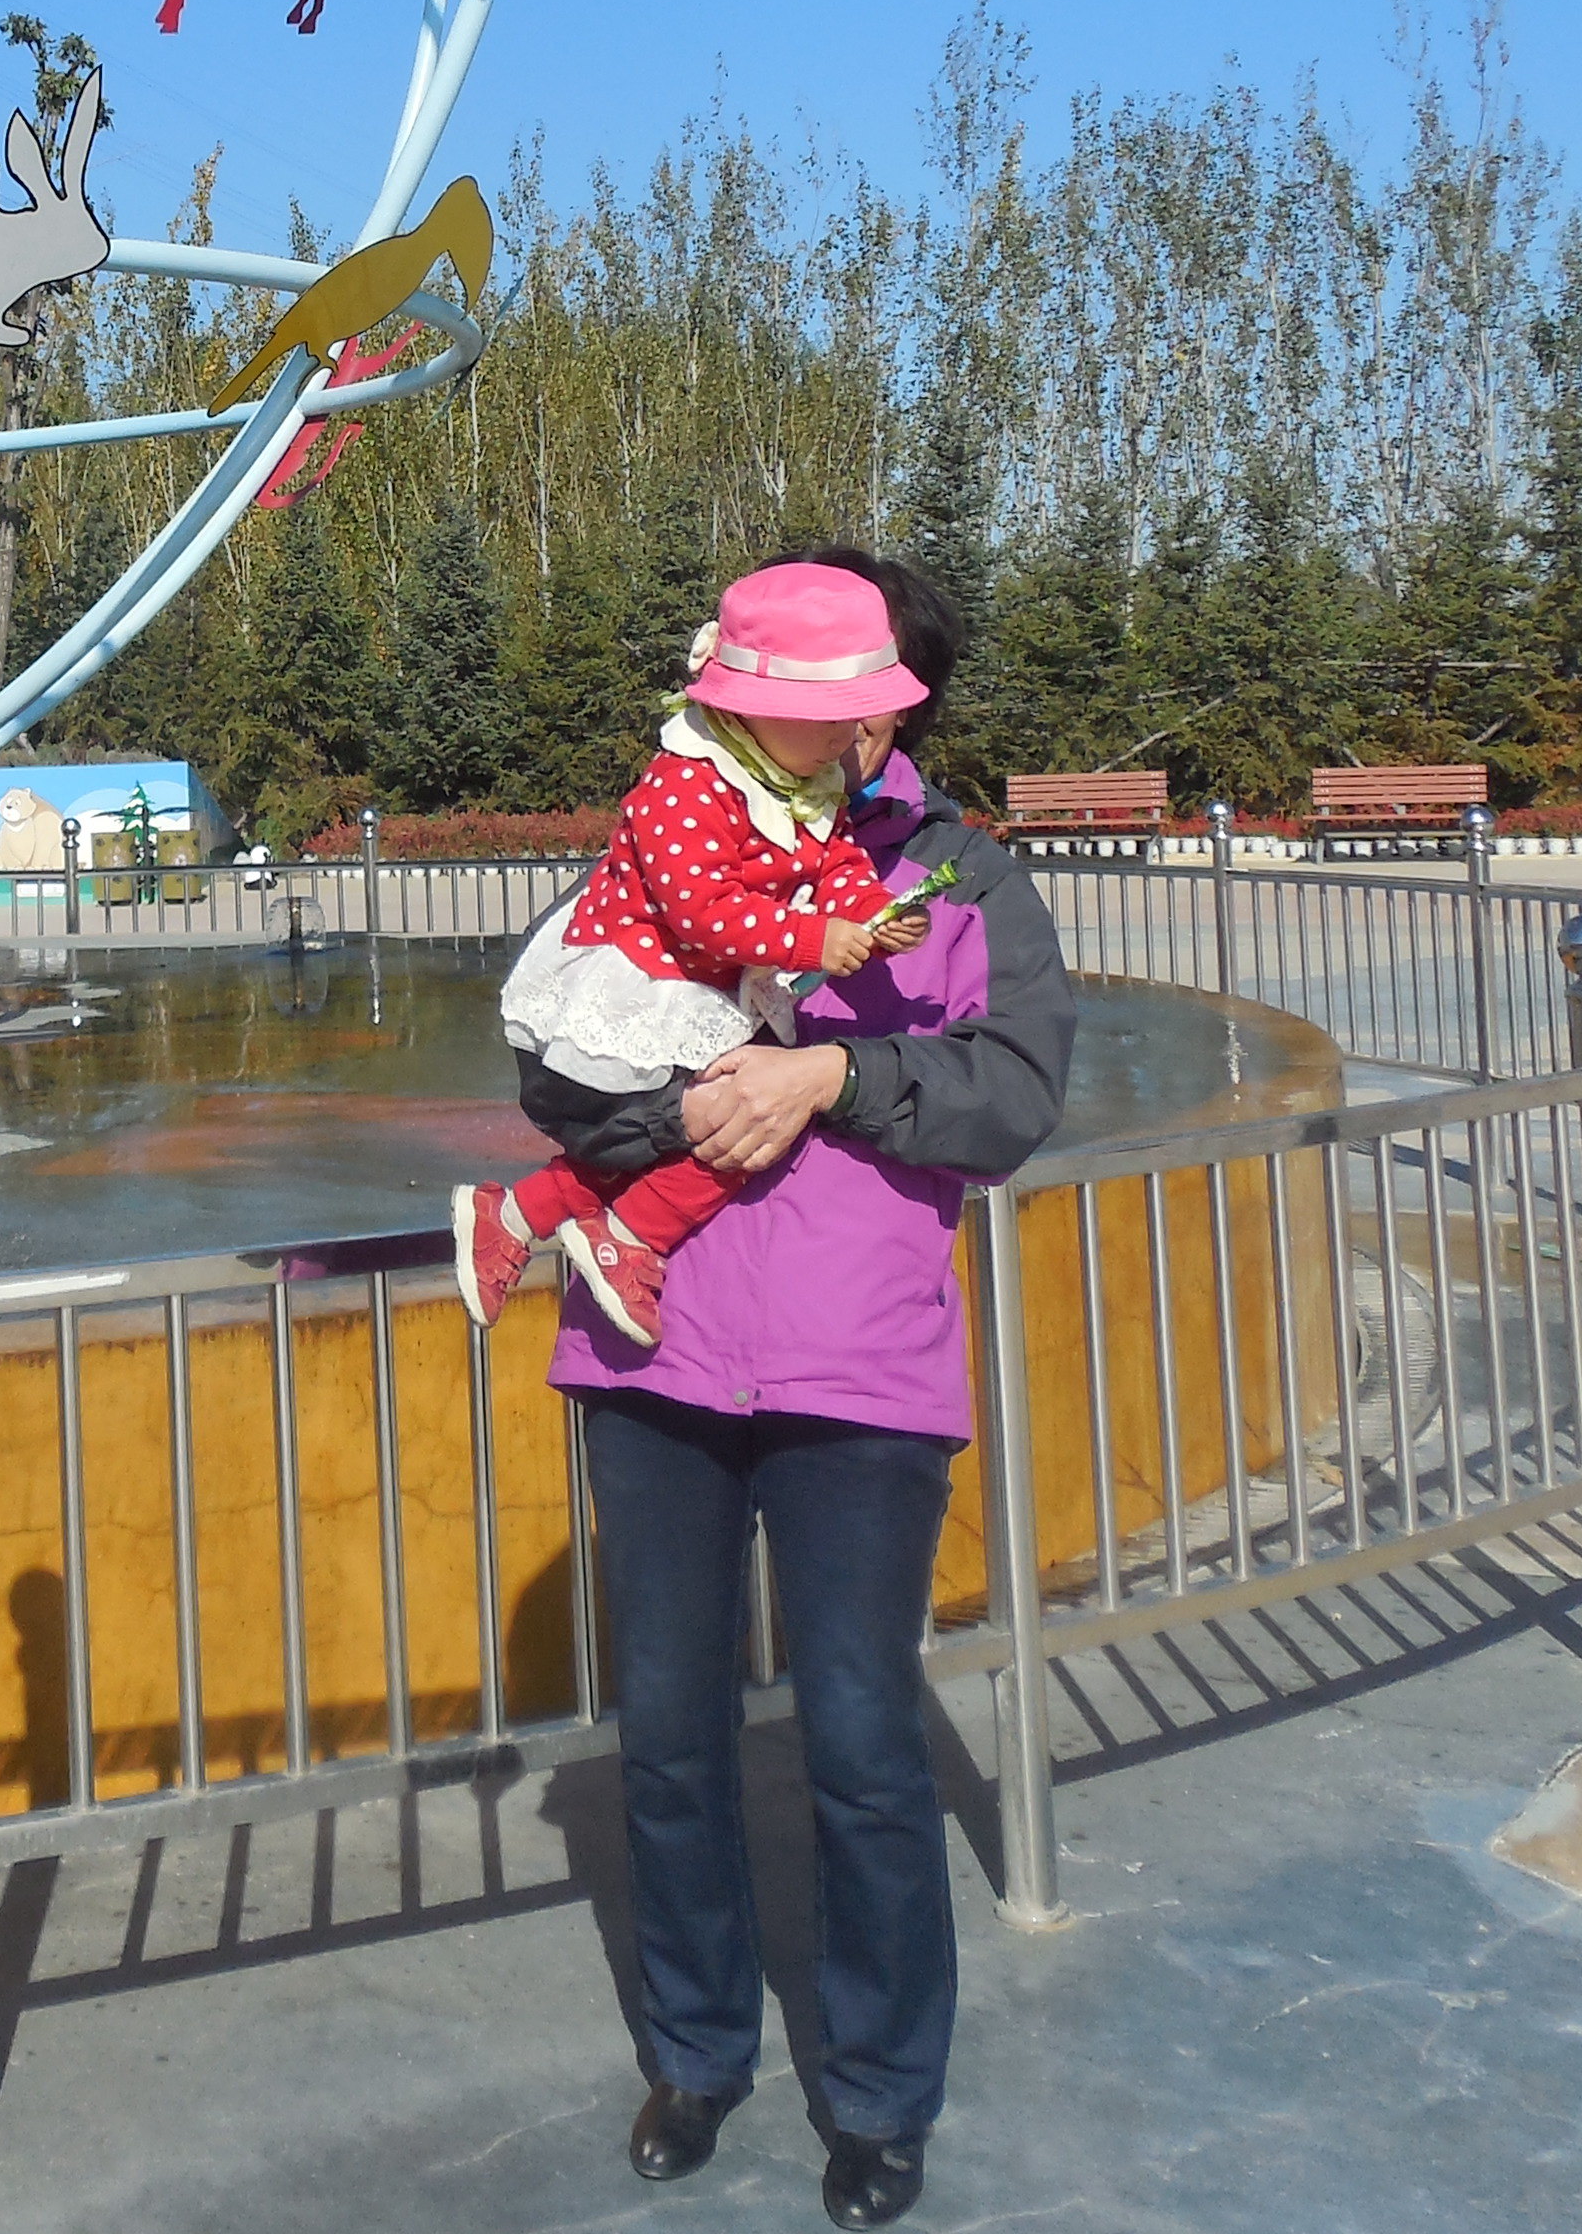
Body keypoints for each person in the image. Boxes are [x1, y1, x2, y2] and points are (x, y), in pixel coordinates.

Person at [556, 545, 1074, 2227]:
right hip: (656, 1348)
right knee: (671, 1735)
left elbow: (1007, 1094)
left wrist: (837, 1071)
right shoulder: (668, 839)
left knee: (858, 1734)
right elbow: (555, 1067)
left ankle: (875, 2093)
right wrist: (698, 1098)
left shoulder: (957, 874)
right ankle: (698, 2053)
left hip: (858, 1368)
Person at [457, 559, 926, 1348]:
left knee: (686, 1130)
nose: (852, 735)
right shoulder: (688, 783)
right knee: (731, 1128)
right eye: (835, 716)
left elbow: (836, 865)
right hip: (638, 993)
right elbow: (701, 910)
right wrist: (818, 938)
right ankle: (630, 1239)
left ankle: (513, 1215)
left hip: (703, 998)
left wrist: (874, 914)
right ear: (759, 709)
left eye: (861, 715)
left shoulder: (800, 781)